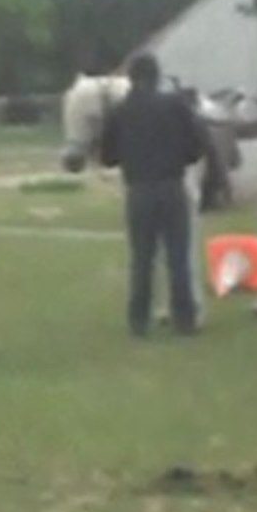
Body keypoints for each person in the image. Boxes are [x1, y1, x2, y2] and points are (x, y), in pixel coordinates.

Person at [100, 54, 205, 337]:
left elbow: (107, 157)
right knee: (178, 258)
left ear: (132, 79)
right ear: (157, 76)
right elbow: (197, 148)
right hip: (172, 187)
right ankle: (185, 320)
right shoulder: (175, 105)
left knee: (142, 259)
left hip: (139, 191)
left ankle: (139, 321)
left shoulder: (119, 112)